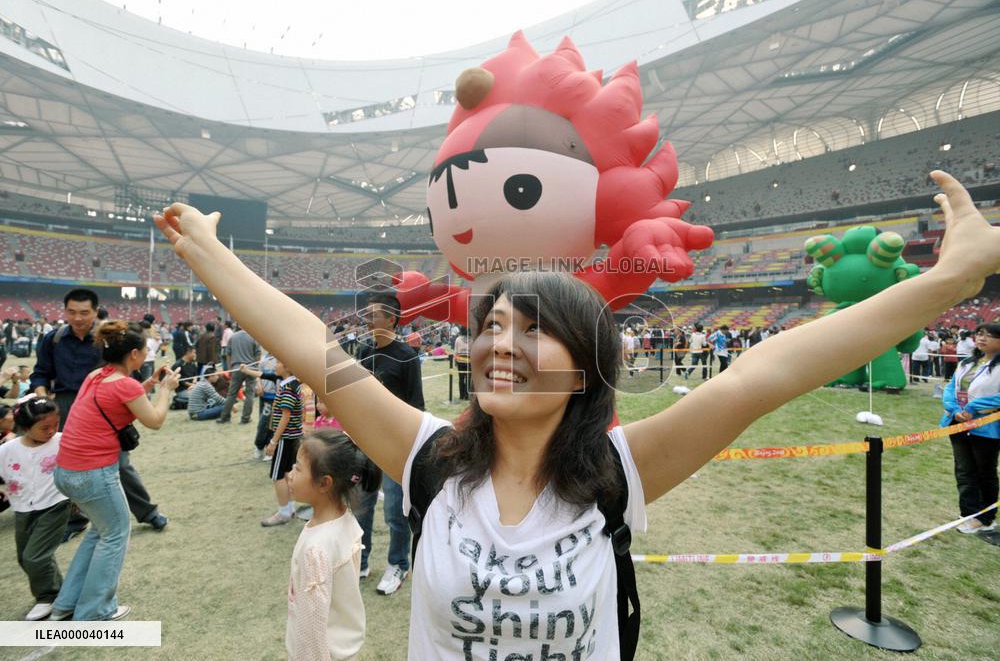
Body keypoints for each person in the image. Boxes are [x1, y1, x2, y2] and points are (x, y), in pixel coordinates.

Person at [157, 171, 999, 659]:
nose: (499, 344)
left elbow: (764, 374)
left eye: (533, 329)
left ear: (587, 367)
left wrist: (950, 280)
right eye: (490, 325)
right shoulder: (428, 457)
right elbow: (314, 349)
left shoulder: (621, 472)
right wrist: (212, 256)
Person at [50, 320, 179, 621]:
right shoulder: (125, 384)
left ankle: (66, 604)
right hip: (93, 474)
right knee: (115, 534)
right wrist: (165, 390)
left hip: (67, 471)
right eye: (146, 352)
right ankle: (95, 611)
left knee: (101, 531)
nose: (147, 356)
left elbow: (118, 401)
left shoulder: (98, 375)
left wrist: (149, 385)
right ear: (134, 354)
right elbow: (155, 420)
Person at [29, 289, 168, 533]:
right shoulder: (54, 339)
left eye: (84, 312)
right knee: (69, 462)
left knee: (120, 463)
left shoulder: (109, 339)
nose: (78, 318)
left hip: (106, 403)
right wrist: (44, 401)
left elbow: (124, 373)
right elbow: (40, 372)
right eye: (71, 312)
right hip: (63, 404)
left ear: (95, 311)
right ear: (64, 312)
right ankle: (75, 518)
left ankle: (147, 511)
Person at [285, 430, 380, 660]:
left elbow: (313, 626)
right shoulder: (345, 520)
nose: (290, 474)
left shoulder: (316, 549)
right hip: (343, 650)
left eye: (297, 468)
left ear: (324, 483)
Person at [354, 293, 424, 595]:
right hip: (365, 443)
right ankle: (361, 562)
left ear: (391, 319)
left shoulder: (407, 356)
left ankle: (398, 565)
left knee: (395, 511)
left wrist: (407, 445)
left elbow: (416, 405)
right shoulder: (364, 351)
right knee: (361, 506)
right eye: (366, 315)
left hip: (396, 445)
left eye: (373, 315)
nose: (367, 321)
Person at [0, 396, 70, 621]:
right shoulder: (7, 450)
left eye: (55, 425)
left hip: (55, 505)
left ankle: (48, 596)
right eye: (44, 427)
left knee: (35, 557)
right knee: (25, 557)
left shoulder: (62, 441)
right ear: (25, 428)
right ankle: (59, 592)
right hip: (22, 507)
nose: (51, 431)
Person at [940, 323, 1000, 534]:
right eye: (980, 334)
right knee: (964, 471)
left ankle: (985, 518)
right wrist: (954, 409)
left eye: (990, 335)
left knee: (985, 472)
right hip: (958, 423)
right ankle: (968, 514)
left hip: (986, 427)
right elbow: (949, 388)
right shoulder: (967, 363)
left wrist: (973, 409)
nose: (982, 338)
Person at [262, 359, 304, 526]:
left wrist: (274, 441)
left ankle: (283, 512)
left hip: (286, 438)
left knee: (277, 475)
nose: (275, 366)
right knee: (287, 473)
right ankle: (290, 508)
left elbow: (285, 416)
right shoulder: (292, 383)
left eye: (278, 362)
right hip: (293, 436)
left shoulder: (287, 387)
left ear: (287, 367)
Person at [217, 327, 261, 424]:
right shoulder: (253, 336)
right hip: (250, 368)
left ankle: (225, 417)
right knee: (250, 394)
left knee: (231, 393)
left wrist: (230, 368)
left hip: (236, 368)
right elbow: (258, 354)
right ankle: (245, 418)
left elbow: (228, 354)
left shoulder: (233, 337)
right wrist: (255, 366)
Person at [454, 326, 471, 401]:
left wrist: (455, 361)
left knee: (461, 378)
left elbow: (456, 351)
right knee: (468, 379)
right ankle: (467, 395)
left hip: (460, 361)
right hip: (469, 361)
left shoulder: (458, 339)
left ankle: (461, 395)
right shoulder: (472, 339)